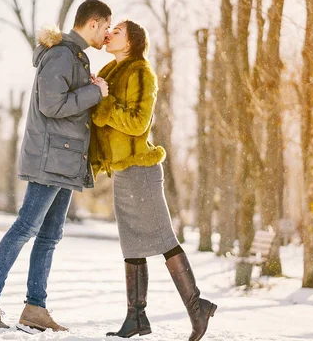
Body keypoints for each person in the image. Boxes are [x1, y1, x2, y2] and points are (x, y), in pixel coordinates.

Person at [0, 0, 111, 332]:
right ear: (93, 23)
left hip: (64, 159)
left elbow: (64, 102)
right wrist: (95, 93)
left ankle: (35, 308)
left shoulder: (74, 56)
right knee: (26, 228)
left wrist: (87, 88)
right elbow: (51, 106)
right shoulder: (63, 55)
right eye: (106, 27)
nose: (106, 35)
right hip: (51, 157)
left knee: (49, 236)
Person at [89, 20, 217, 340]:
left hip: (141, 170)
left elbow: (137, 122)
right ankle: (136, 318)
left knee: (163, 240)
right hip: (122, 170)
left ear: (131, 41)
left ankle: (195, 306)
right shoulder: (108, 73)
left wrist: (103, 104)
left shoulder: (141, 73)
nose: (110, 33)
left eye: (117, 31)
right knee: (131, 245)